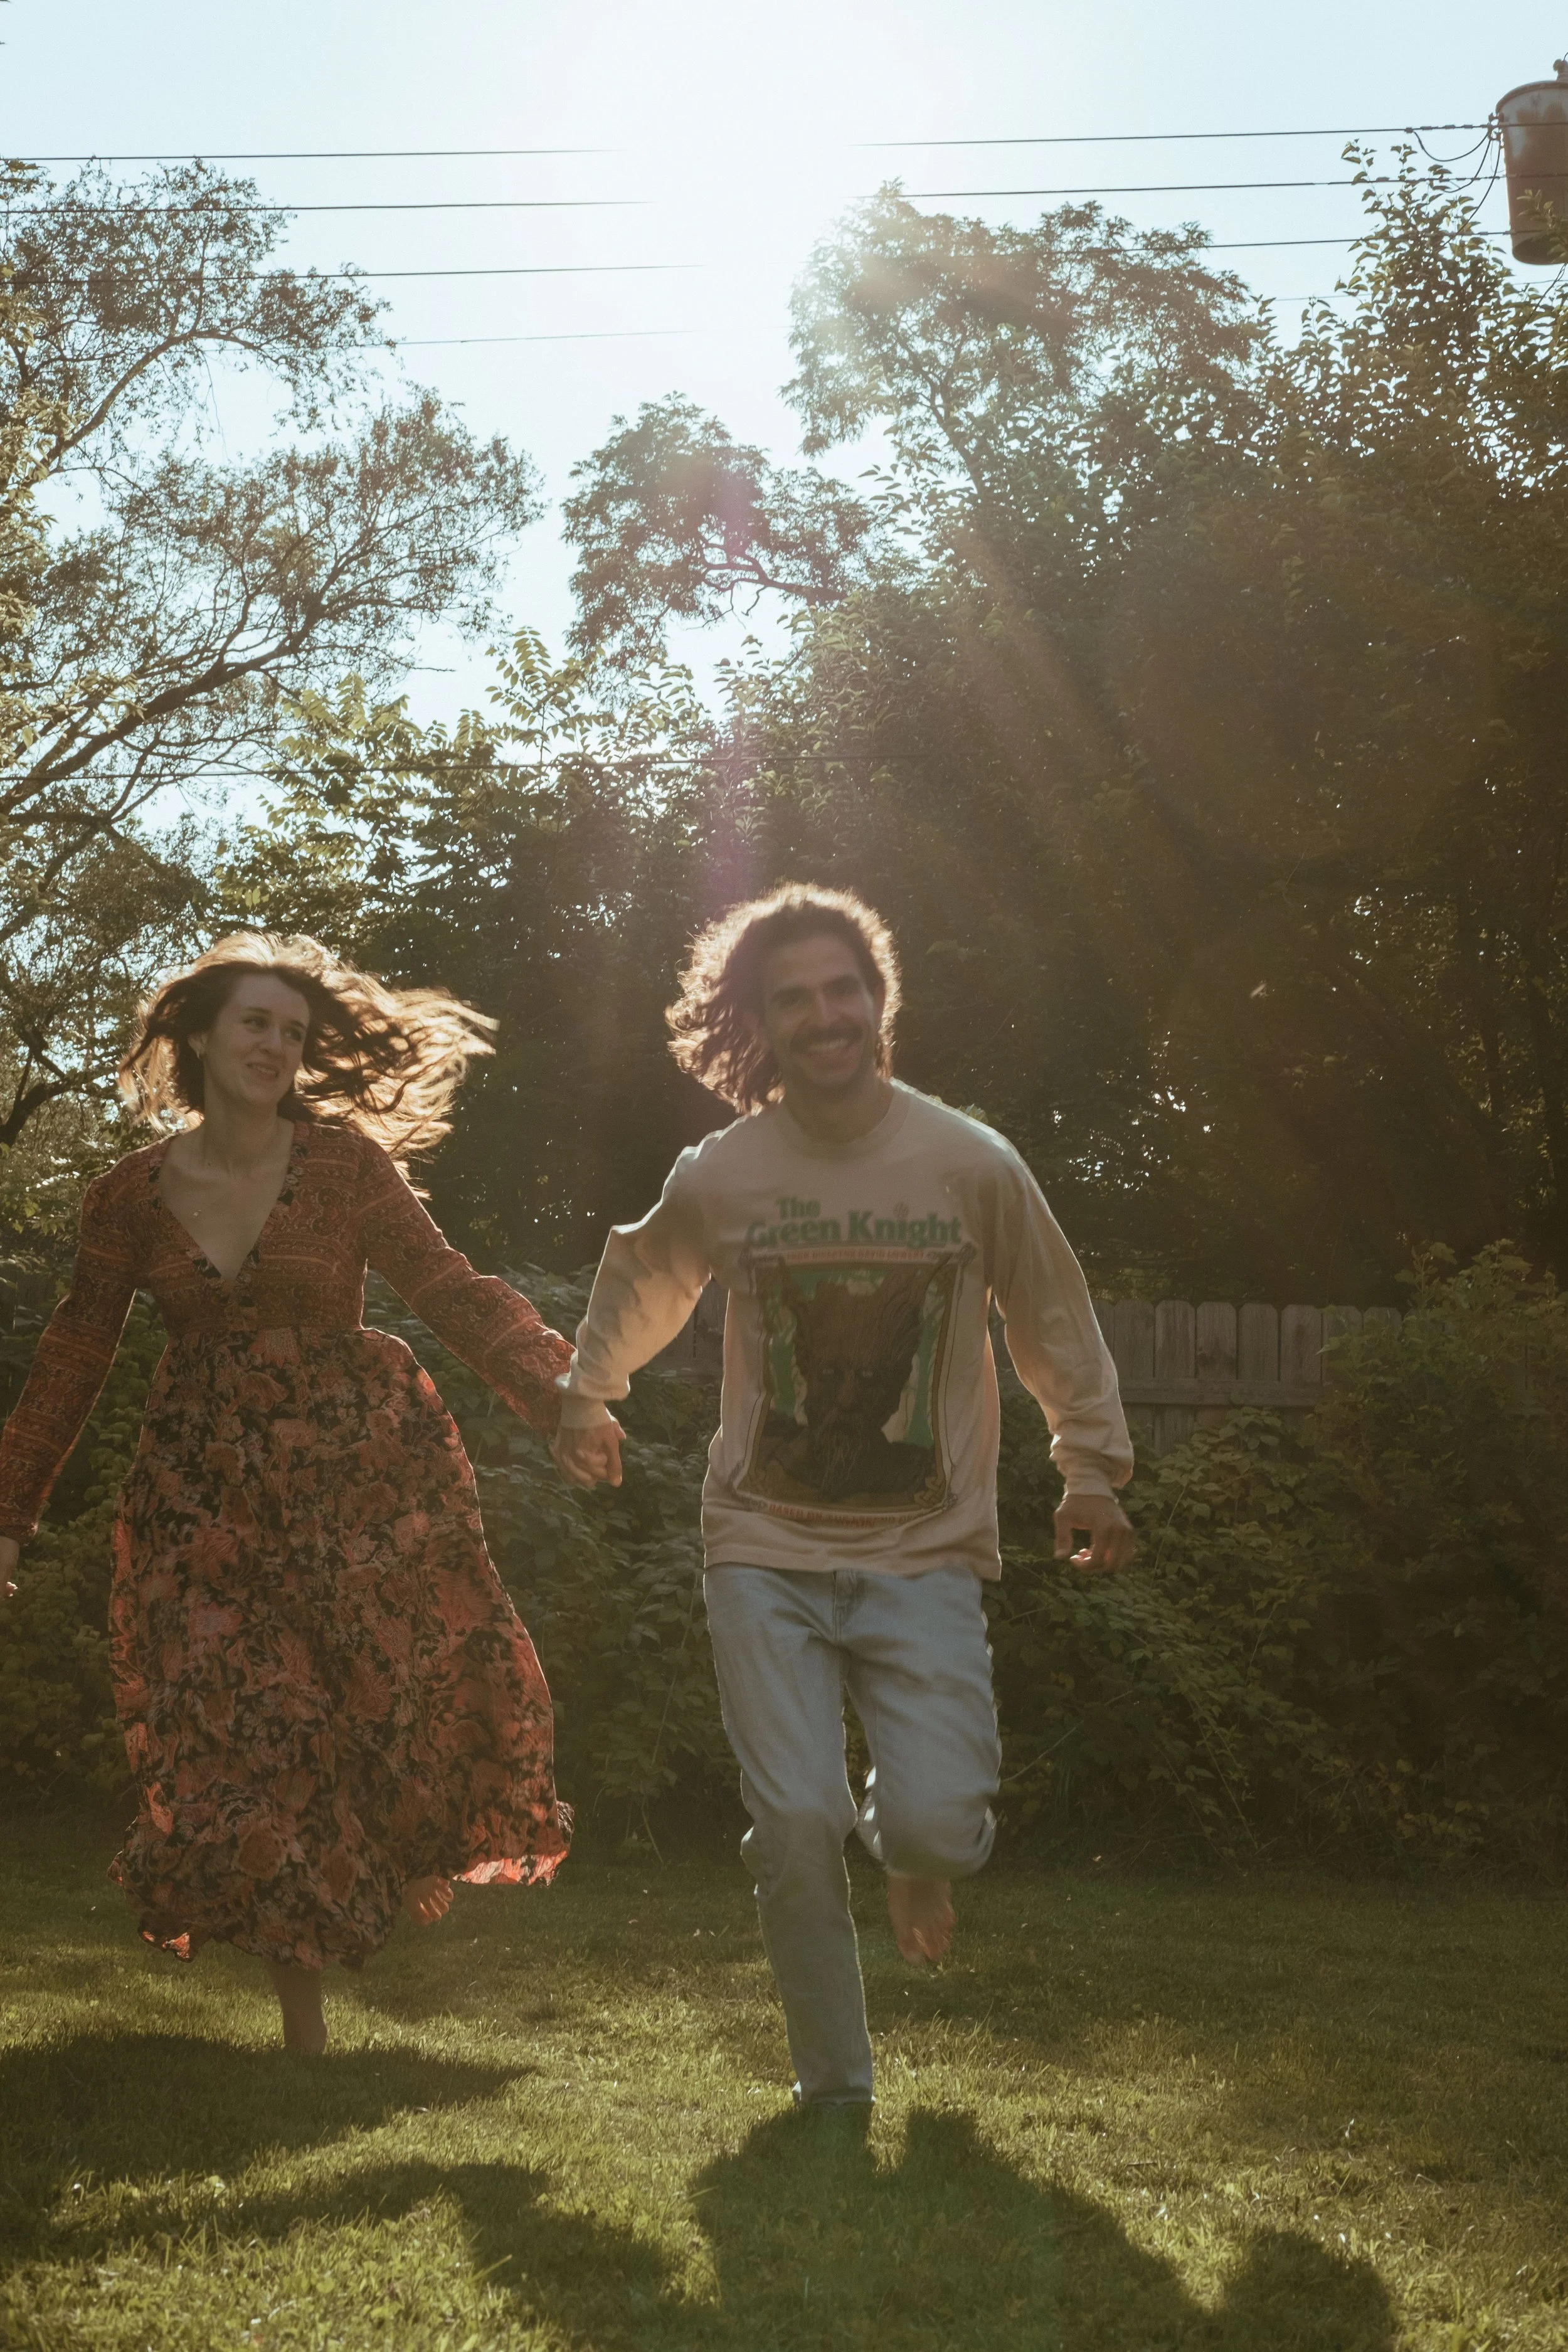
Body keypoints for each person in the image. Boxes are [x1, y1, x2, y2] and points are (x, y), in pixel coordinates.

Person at [551, 884, 1136, 2114]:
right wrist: (587, 1391)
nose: (823, 1017)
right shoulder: (726, 1172)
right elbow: (642, 1272)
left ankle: (917, 1861)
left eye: (842, 991)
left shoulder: (969, 1164)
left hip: (923, 1552)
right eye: (792, 1000)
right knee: (798, 1821)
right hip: (759, 1545)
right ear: (759, 1026)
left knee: (930, 1820)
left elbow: (1049, 1313)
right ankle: (835, 2088)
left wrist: (1088, 1467)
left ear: (878, 1003)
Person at [0, 935, 573, 2053]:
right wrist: (7, 1514)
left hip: (356, 1479)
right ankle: (303, 2024)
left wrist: (559, 1394)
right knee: (239, 1718)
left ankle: (399, 1849)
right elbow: (74, 1352)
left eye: (294, 1033)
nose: (275, 1046)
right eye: (255, 1023)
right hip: (201, 1492)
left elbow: (446, 1288)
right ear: (201, 1037)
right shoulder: (126, 1197)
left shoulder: (347, 1166)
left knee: (391, 1691)